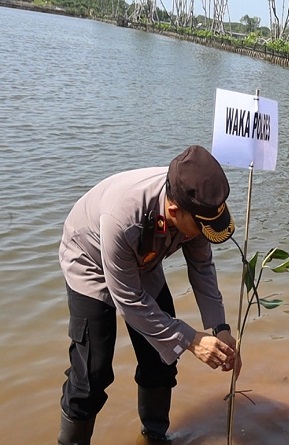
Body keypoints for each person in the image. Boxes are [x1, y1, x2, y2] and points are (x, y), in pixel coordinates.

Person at [57, 145, 241, 444]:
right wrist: (192, 340)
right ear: (173, 211)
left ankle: (155, 436)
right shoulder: (123, 217)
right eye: (199, 229)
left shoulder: (194, 208)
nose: (201, 236)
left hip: (143, 258)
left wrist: (220, 328)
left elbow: (202, 267)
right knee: (92, 373)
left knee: (162, 357)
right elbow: (128, 300)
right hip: (89, 260)